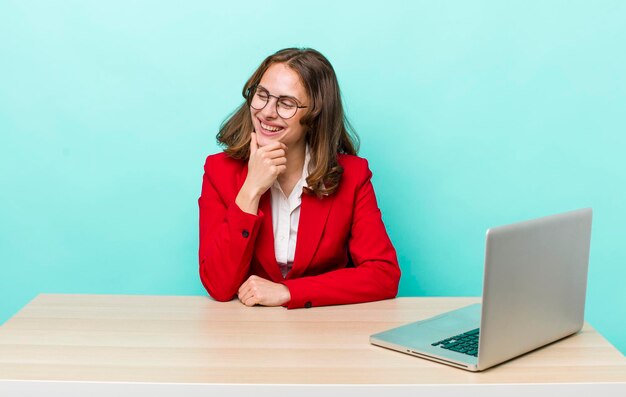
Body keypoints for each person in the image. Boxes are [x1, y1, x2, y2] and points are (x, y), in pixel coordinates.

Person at [198, 48, 400, 309]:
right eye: (262, 95)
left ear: (315, 115)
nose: (267, 112)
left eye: (286, 103)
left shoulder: (354, 176)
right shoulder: (220, 171)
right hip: (248, 330)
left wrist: (288, 292)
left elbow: (383, 276)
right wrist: (250, 190)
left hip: (325, 329)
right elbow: (218, 286)